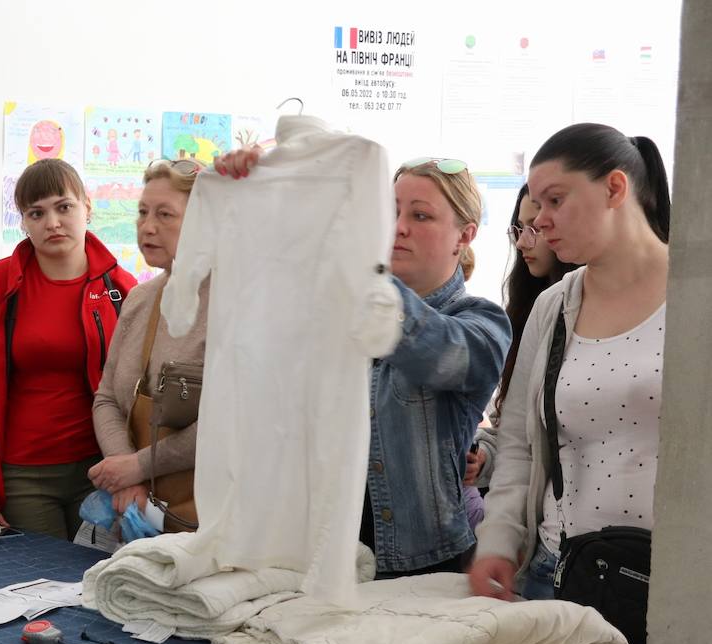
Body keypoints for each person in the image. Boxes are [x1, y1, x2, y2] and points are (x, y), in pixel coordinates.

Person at [214, 148, 510, 575]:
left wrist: (355, 266)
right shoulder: (338, 314)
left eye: (420, 216)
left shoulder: (481, 322)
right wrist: (263, 186)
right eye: (390, 212)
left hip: (422, 565)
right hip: (323, 552)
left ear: (465, 235)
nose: (398, 228)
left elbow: (438, 352)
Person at [470, 124, 670, 601]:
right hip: (560, 572)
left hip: (677, 583)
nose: (539, 222)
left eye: (555, 201)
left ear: (615, 188)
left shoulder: (695, 295)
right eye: (535, 206)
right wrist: (498, 541)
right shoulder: (555, 306)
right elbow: (517, 441)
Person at [0, 159, 137, 540]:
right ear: (23, 222)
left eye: (64, 207)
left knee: (100, 585)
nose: (52, 222)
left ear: (87, 208)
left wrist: (135, 470)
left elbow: (143, 395)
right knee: (42, 586)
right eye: (36, 213)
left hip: (101, 472)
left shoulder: (122, 291)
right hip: (22, 476)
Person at [91, 158, 207, 531]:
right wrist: (127, 473)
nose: (148, 227)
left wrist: (139, 466)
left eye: (165, 215)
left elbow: (231, 422)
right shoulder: (140, 300)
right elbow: (107, 397)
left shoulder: (236, 308)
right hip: (137, 507)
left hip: (211, 518)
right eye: (142, 212)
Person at [465, 184, 579, 491]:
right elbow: (512, 427)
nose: (522, 242)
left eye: (535, 228)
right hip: (533, 509)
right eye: (519, 228)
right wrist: (486, 455)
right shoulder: (526, 308)